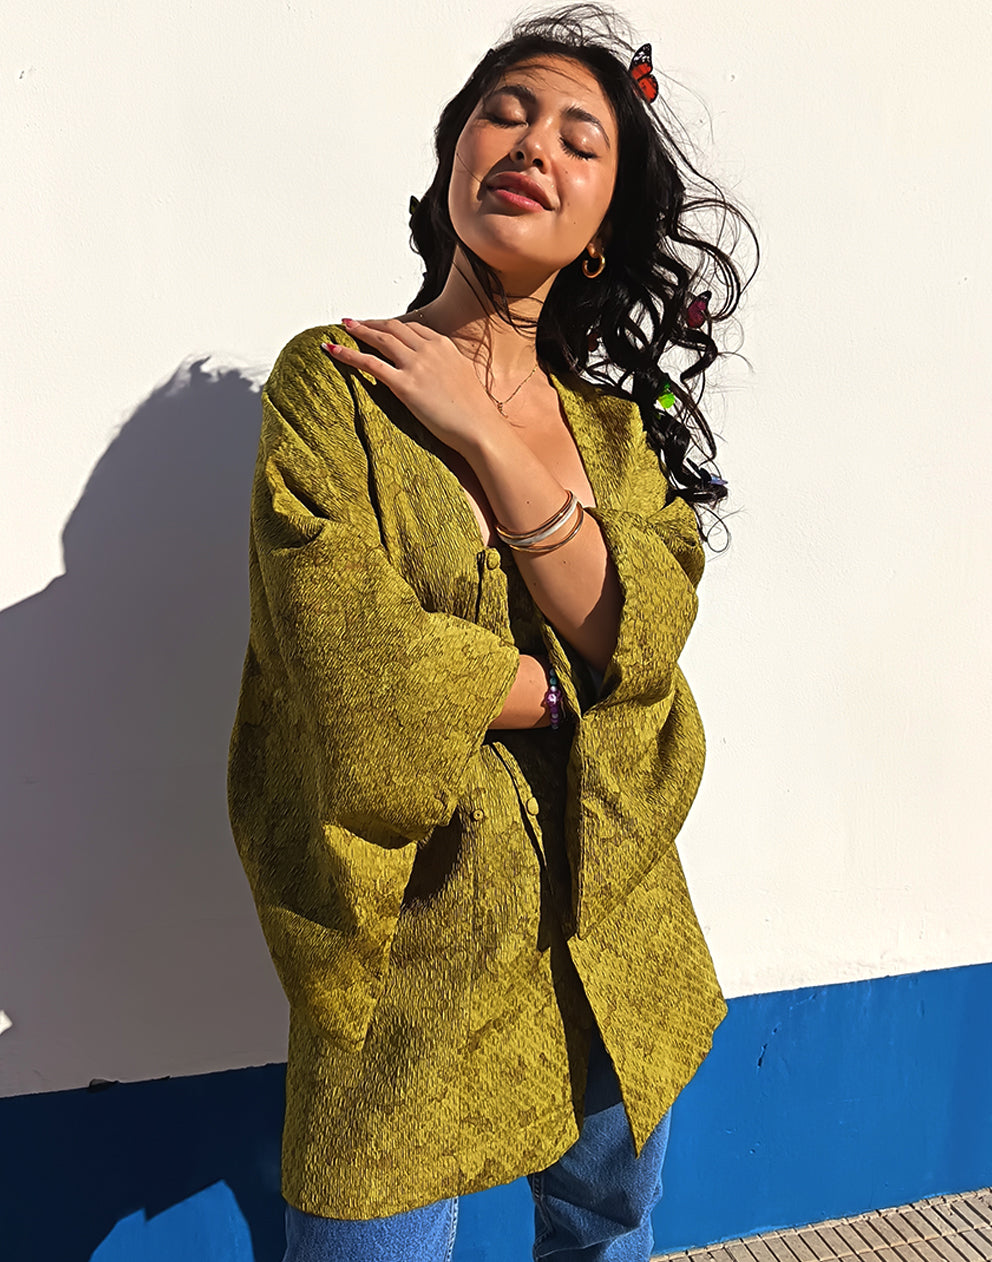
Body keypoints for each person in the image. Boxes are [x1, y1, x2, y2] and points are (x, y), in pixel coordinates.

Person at [226, 5, 757, 1260]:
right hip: (410, 938)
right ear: (453, 156)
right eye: (504, 113)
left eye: (579, 138)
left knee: (605, 1228)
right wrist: (563, 692)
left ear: (601, 227)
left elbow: (642, 633)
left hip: (614, 924)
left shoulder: (617, 437)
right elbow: (351, 666)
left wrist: (479, 426)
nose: (531, 146)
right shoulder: (331, 384)